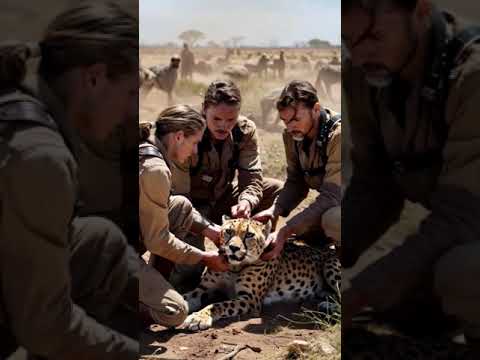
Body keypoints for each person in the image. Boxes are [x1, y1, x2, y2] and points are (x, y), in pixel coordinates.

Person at [341, 0, 480, 356]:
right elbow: (374, 186)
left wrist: (360, 292)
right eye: (348, 40)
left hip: (468, 227)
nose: (359, 55)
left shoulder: (472, 74)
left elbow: (463, 216)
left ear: (419, 11)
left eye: (374, 36)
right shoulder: (365, 74)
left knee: (461, 274)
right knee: (397, 297)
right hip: (462, 226)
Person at [0, 2, 138, 359]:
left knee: (98, 240)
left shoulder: (21, 110)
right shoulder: (38, 154)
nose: (130, 113)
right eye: (131, 94)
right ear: (94, 78)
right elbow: (48, 326)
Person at [169, 80, 283, 291]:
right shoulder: (186, 133)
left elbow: (251, 177)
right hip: (190, 207)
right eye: (217, 119)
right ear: (204, 110)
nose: (223, 125)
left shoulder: (245, 130)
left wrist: (246, 201)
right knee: (188, 277)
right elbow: (178, 199)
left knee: (276, 189)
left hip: (223, 198)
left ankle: (257, 254)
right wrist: (207, 229)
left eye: (231, 119)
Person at [139, 105, 229, 327]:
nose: (196, 151)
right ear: (179, 137)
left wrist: (209, 230)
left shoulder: (147, 148)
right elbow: (158, 241)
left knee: (181, 206)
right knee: (175, 312)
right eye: (195, 143)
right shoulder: (154, 169)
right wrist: (204, 258)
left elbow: (167, 206)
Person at [252, 80, 342, 259]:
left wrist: (285, 230)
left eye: (295, 119)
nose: (289, 126)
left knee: (331, 220)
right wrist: (274, 210)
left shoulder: (338, 136)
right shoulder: (292, 136)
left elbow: (332, 196)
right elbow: (296, 181)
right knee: (303, 230)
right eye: (285, 121)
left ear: (316, 109)